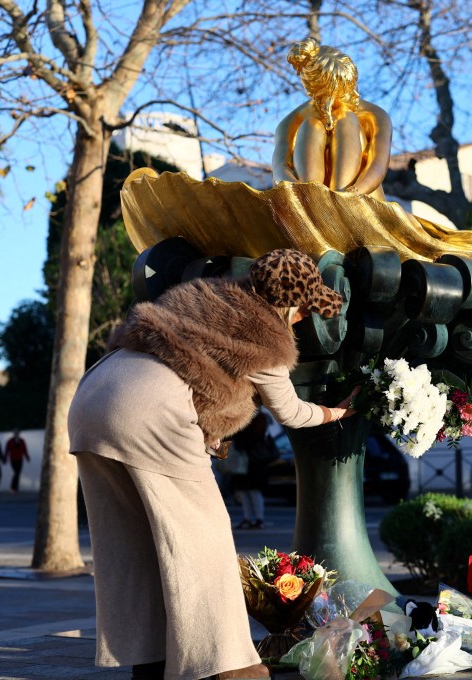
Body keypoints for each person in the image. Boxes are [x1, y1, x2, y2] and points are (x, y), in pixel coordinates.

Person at [68, 249, 357, 680]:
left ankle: (150, 659)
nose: (301, 319)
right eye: (304, 310)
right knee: (207, 539)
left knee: (131, 542)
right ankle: (228, 666)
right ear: (291, 305)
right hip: (149, 406)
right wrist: (341, 412)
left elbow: (189, 365)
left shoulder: (214, 294)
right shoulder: (268, 341)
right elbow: (292, 413)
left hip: (95, 392)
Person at [272, 38, 392, 199]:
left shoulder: (375, 115)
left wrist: (353, 193)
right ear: (317, 92)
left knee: (346, 119)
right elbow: (280, 167)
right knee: (311, 125)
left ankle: (339, 198)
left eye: (348, 87)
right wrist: (300, 191)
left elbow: (378, 165)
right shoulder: (294, 120)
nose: (347, 96)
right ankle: (314, 197)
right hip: (309, 197)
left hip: (359, 197)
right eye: (338, 92)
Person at [227, 412, 273, 530]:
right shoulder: (256, 417)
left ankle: (257, 518)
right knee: (245, 490)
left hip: (253, 459)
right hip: (249, 458)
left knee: (252, 490)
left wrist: (240, 442)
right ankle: (251, 518)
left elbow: (254, 436)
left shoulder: (259, 418)